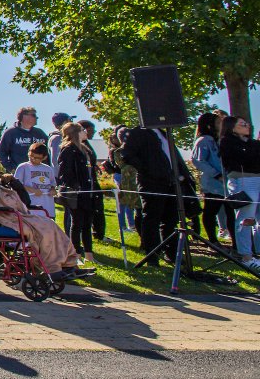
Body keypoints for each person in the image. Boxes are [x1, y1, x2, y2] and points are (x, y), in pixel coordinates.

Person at [0, 156, 91, 280]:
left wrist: (14, 182)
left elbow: (26, 201)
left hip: (16, 216)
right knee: (43, 231)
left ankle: (69, 264)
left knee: (51, 225)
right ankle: (52, 268)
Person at [122, 124, 195, 268]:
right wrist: (147, 170)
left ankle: (172, 255)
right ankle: (152, 257)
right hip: (152, 182)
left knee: (171, 220)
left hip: (172, 182)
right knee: (152, 219)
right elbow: (127, 154)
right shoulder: (139, 132)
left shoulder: (165, 133)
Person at [218, 116, 260, 273]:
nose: (247, 126)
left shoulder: (253, 143)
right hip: (243, 181)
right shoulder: (227, 142)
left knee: (258, 220)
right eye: (242, 124)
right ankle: (246, 256)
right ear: (232, 128)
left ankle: (257, 252)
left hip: (258, 179)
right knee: (246, 218)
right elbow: (242, 158)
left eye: (247, 123)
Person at [56, 122, 96, 266]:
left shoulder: (85, 149)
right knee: (77, 222)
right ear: (75, 133)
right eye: (82, 130)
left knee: (87, 222)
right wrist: (75, 187)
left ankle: (89, 254)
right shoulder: (68, 150)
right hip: (76, 193)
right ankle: (76, 254)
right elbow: (64, 173)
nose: (86, 132)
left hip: (88, 191)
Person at [192, 112, 233, 247]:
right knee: (211, 211)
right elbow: (198, 161)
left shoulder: (221, 139)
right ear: (210, 125)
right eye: (218, 123)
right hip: (213, 183)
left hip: (227, 183)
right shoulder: (204, 141)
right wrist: (216, 174)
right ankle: (212, 240)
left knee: (231, 212)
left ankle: (236, 242)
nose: (221, 125)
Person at [76, 119, 110, 241]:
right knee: (88, 211)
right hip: (84, 184)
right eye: (91, 130)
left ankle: (99, 233)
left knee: (98, 208)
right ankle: (92, 234)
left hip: (92, 181)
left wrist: (94, 165)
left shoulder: (86, 144)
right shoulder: (77, 145)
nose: (93, 132)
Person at [13, 142, 58, 220]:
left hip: (48, 208)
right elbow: (16, 185)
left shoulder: (48, 168)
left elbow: (52, 184)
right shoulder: (23, 167)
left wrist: (53, 190)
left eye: (37, 158)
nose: (33, 159)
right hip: (31, 208)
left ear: (44, 157)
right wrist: (32, 190)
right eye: (31, 156)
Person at [0, 106, 48, 172]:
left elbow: (48, 153)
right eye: (33, 115)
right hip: (19, 175)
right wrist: (11, 168)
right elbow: (0, 152)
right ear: (23, 116)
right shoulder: (10, 133)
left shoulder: (40, 133)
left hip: (39, 175)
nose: (37, 118)